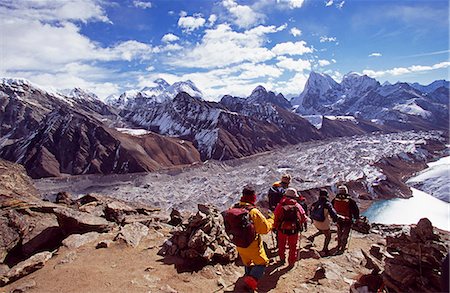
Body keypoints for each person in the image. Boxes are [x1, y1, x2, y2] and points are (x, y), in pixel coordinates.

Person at [235, 185, 274, 292]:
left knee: (248, 262)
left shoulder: (235, 208)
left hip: (239, 244)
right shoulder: (253, 212)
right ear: (253, 197)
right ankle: (249, 284)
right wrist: (271, 221)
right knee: (262, 263)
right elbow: (264, 229)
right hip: (252, 244)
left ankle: (248, 276)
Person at [273, 188, 307, 267]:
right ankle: (291, 262)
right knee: (293, 246)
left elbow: (276, 216)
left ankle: (282, 259)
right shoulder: (297, 205)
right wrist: (301, 225)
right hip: (294, 229)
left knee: (281, 244)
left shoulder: (280, 205)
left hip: (282, 229)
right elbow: (303, 217)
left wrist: (275, 226)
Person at [308, 189, 341, 257]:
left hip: (315, 221)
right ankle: (325, 249)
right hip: (322, 222)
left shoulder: (316, 203)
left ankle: (312, 237)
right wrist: (336, 220)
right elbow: (333, 214)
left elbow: (310, 210)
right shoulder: (327, 204)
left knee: (322, 231)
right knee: (328, 236)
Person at [332, 185, 360, 253]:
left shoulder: (335, 199)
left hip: (338, 219)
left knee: (339, 232)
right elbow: (355, 210)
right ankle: (342, 248)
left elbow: (332, 208)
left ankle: (338, 245)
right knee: (345, 233)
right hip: (347, 220)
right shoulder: (350, 200)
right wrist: (356, 218)